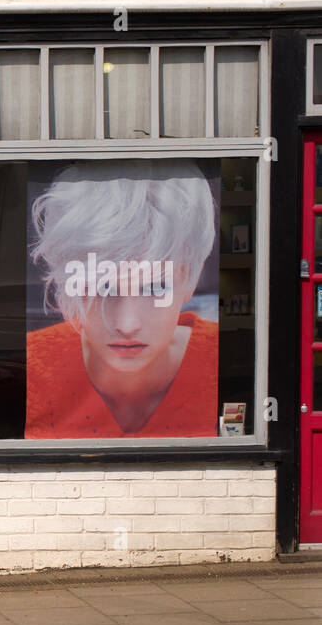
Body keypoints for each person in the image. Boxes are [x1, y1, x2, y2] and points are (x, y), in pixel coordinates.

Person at [25, 159, 219, 438]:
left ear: (190, 275)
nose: (127, 325)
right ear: (70, 279)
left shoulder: (225, 358)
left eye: (154, 288)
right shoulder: (33, 364)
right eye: (103, 287)